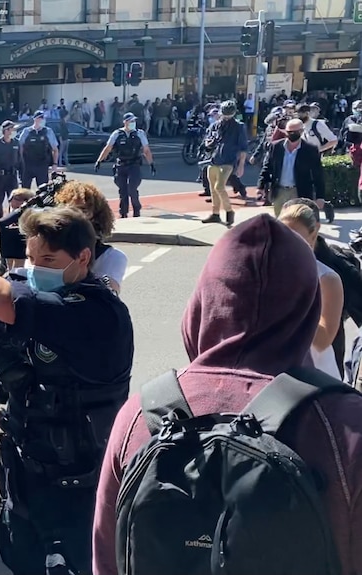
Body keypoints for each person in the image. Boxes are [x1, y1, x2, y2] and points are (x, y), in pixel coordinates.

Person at [91, 214, 362, 575]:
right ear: (306, 306)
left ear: (204, 300)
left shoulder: (142, 413)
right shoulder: (345, 424)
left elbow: (107, 557)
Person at [0, 206, 133, 574]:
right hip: (25, 478)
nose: (35, 268)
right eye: (32, 258)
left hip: (80, 488)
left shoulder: (98, 313)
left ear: (84, 258)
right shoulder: (44, 303)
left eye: (49, 259)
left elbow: (5, 299)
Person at [278, 200, 344, 379]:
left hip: (316, 376)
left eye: (297, 239)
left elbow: (322, 342)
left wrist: (286, 303)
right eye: (283, 237)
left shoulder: (327, 279)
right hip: (276, 373)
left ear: (313, 235)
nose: (289, 246)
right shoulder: (270, 273)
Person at [54, 180, 128, 293]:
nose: (76, 215)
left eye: (83, 210)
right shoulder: (48, 248)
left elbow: (109, 297)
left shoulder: (112, 257)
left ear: (95, 214)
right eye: (70, 209)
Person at [256, 118, 325, 217]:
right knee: (280, 222)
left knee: (297, 222)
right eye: (289, 132)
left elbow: (318, 175)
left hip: (299, 192)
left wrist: (320, 197)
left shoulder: (310, 150)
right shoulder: (276, 147)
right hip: (279, 191)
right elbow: (267, 167)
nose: (291, 134)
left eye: (295, 132)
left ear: (301, 131)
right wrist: (261, 186)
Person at [94, 112, 155, 218]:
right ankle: (123, 213)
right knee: (123, 191)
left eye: (134, 121)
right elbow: (108, 148)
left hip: (134, 165)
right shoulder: (117, 134)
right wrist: (99, 161)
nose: (133, 123)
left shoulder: (139, 133)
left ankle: (136, 210)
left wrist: (151, 164)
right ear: (125, 122)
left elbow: (146, 150)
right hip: (121, 165)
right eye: (131, 121)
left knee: (132, 188)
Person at [199, 100, 248, 226]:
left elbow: (243, 147)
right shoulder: (215, 125)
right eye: (224, 114)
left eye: (228, 114)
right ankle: (215, 214)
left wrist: (241, 165)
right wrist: (207, 144)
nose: (226, 117)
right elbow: (207, 139)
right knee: (213, 188)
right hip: (213, 159)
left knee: (219, 187)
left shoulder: (239, 127)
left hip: (228, 160)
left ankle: (229, 211)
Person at [0, 120, 21, 221]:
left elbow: (20, 159)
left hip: (12, 176)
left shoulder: (16, 143)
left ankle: (12, 220)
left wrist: (22, 174)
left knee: (15, 200)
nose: (13, 131)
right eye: (12, 129)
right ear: (6, 130)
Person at [19, 110, 58, 189]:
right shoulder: (26, 131)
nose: (42, 120)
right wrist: (21, 162)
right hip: (28, 165)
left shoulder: (48, 132)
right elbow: (21, 147)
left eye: (43, 118)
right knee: (25, 191)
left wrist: (55, 164)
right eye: (40, 118)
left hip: (42, 165)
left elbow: (55, 149)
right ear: (35, 119)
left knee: (43, 191)